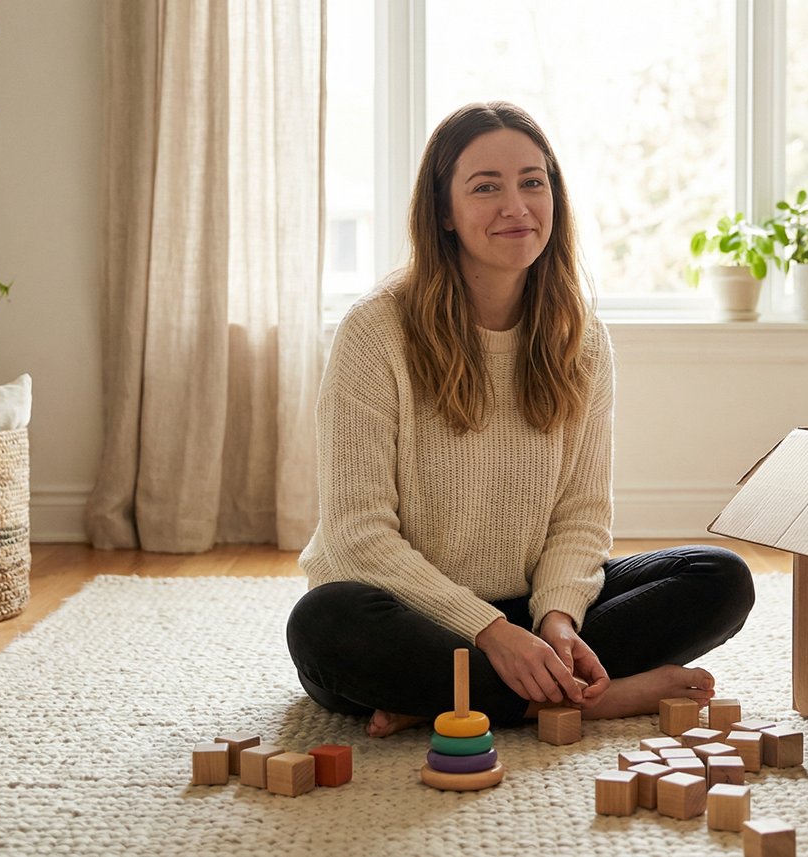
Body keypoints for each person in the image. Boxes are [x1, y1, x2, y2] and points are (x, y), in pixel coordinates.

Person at [287, 101, 755, 737]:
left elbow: (581, 517)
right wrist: (491, 633)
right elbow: (356, 536)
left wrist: (557, 621)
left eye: (533, 182)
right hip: (409, 610)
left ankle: (448, 697)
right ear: (444, 213)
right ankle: (588, 699)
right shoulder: (375, 332)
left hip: (529, 608)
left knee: (718, 578)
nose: (517, 205)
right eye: (486, 187)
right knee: (324, 625)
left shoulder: (580, 337)